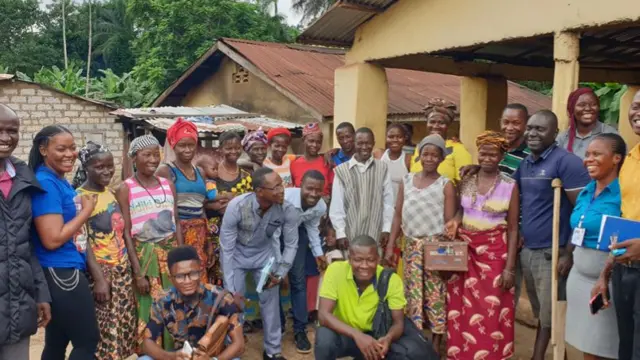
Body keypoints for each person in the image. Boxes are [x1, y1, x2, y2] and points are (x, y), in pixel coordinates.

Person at [514, 110, 590, 360]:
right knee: (542, 312)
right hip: (528, 250)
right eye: (530, 128)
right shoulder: (525, 163)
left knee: (551, 314)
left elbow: (583, 210)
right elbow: (510, 194)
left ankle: (539, 357)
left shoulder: (566, 162)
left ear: (555, 133)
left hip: (552, 251)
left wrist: (569, 251)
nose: (532, 133)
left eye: (540, 129)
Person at [29, 125, 108, 359]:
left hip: (64, 270)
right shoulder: (46, 182)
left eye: (73, 148)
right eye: (61, 149)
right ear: (43, 150)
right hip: (61, 271)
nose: (69, 154)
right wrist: (87, 211)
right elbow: (52, 239)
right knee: (87, 341)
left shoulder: (59, 180)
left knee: (57, 341)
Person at [446, 131, 520, 359]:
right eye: (483, 154)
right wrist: (456, 221)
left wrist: (509, 267)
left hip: (495, 255)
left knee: (493, 310)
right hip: (465, 252)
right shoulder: (468, 179)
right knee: (460, 308)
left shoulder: (509, 185)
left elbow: (513, 228)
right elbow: (462, 210)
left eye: (493, 154)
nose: (487, 158)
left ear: (501, 156)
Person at [384, 134, 456, 352]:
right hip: (411, 247)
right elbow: (397, 214)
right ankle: (416, 342)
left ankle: (435, 344)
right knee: (412, 294)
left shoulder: (446, 184)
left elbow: (449, 223)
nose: (430, 158)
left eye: (435, 155)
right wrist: (390, 245)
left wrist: (446, 256)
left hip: (435, 246)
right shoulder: (407, 181)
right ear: (419, 156)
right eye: (426, 153)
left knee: (435, 294)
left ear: (442, 158)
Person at [219, 167, 299, 360]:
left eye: (281, 184)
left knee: (270, 303)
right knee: (234, 304)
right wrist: (230, 290)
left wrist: (280, 273)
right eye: (276, 187)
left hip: (265, 256)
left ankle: (272, 351)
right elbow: (226, 249)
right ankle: (233, 350)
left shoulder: (287, 210)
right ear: (259, 191)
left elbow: (291, 244)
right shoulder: (237, 207)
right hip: (237, 255)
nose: (282, 190)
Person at [116, 134, 183, 351]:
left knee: (174, 303)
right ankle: (151, 352)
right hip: (145, 257)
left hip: (170, 253)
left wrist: (181, 258)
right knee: (149, 306)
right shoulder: (125, 188)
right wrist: (138, 272)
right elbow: (126, 231)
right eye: (147, 155)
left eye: (157, 154)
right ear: (134, 157)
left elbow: (177, 221)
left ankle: (174, 350)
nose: (154, 159)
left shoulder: (168, 185)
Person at [74, 142, 137, 359]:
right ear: (86, 168)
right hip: (101, 273)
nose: (107, 171)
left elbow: (122, 234)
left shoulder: (111, 193)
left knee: (124, 328)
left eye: (110, 166)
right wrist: (99, 279)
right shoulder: (80, 197)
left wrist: (133, 270)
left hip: (122, 272)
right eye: (99, 167)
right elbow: (84, 242)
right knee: (104, 332)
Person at [565, 134, 624, 360]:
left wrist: (604, 276)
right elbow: (577, 228)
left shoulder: (622, 194)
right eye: (587, 154)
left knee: (603, 346)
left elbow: (624, 238)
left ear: (616, 158)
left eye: (597, 154)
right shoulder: (587, 191)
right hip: (578, 277)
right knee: (585, 344)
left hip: (604, 280)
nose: (588, 159)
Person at [0, 104, 51, 359]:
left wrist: (40, 293)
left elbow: (27, 244)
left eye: (13, 131)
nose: (6, 138)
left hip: (18, 307)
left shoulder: (23, 177)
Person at [593, 88, 640, 359]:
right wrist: (606, 272)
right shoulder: (631, 158)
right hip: (625, 268)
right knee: (627, 344)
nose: (637, 112)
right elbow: (626, 217)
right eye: (634, 106)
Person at [140, 246, 244, 360]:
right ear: (170, 278)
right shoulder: (163, 301)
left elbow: (239, 344)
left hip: (214, 355)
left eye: (193, 274)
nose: (188, 281)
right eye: (180, 276)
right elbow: (147, 343)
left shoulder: (220, 298)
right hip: (181, 356)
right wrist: (172, 356)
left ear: (200, 273)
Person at [315, 235, 407, 360]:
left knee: (403, 354)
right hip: (344, 333)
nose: (364, 266)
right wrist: (357, 335)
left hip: (375, 338)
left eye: (370, 260)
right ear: (349, 259)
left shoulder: (391, 280)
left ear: (378, 259)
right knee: (324, 338)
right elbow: (323, 315)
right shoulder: (335, 271)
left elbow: (398, 323)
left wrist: (388, 338)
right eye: (358, 259)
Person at [274, 170, 327, 353]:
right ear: (300, 185)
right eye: (309, 188)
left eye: (318, 190)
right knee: (273, 283)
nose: (313, 194)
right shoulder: (285, 198)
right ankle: (277, 327)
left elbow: (312, 227)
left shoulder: (320, 206)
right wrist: (279, 262)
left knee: (298, 282)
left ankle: (299, 330)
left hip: (296, 237)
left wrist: (318, 252)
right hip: (273, 238)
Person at [157, 118, 209, 283]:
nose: (187, 149)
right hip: (178, 233)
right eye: (182, 145)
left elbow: (202, 206)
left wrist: (207, 239)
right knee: (181, 278)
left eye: (191, 145)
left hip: (199, 232)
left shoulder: (200, 171)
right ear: (173, 145)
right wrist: (178, 243)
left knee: (200, 279)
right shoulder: (166, 171)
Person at [330, 127, 394, 252]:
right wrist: (341, 233)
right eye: (360, 143)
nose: (364, 147)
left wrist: (386, 229)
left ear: (374, 143)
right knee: (351, 267)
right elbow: (337, 206)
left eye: (368, 143)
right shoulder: (342, 171)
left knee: (373, 267)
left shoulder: (382, 168)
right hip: (350, 233)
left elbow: (388, 202)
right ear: (354, 143)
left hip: (375, 231)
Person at [204, 131, 252, 286]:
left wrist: (231, 205)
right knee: (215, 271)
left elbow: (250, 204)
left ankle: (235, 307)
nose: (233, 151)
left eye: (237, 148)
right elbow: (202, 201)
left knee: (235, 273)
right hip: (214, 231)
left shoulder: (246, 177)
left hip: (239, 231)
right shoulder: (212, 173)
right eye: (229, 148)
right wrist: (218, 205)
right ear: (220, 149)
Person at [410, 98, 472, 182]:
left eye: (441, 123)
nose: (436, 126)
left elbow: (466, 181)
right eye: (432, 122)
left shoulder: (458, 148)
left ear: (448, 125)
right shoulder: (419, 147)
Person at [556, 88, 619, 160]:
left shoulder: (611, 135)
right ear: (571, 109)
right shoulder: (563, 138)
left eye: (593, 104)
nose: (588, 108)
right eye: (582, 105)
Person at [291, 122, 333, 198]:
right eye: (311, 141)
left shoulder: (327, 163)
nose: (315, 145)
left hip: (324, 207)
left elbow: (333, 190)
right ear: (303, 140)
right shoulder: (294, 165)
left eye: (318, 142)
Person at [380, 124, 411, 204]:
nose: (395, 140)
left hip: (398, 209)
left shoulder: (408, 159)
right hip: (379, 208)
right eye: (391, 137)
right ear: (386, 138)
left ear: (405, 138)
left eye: (399, 137)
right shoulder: (378, 155)